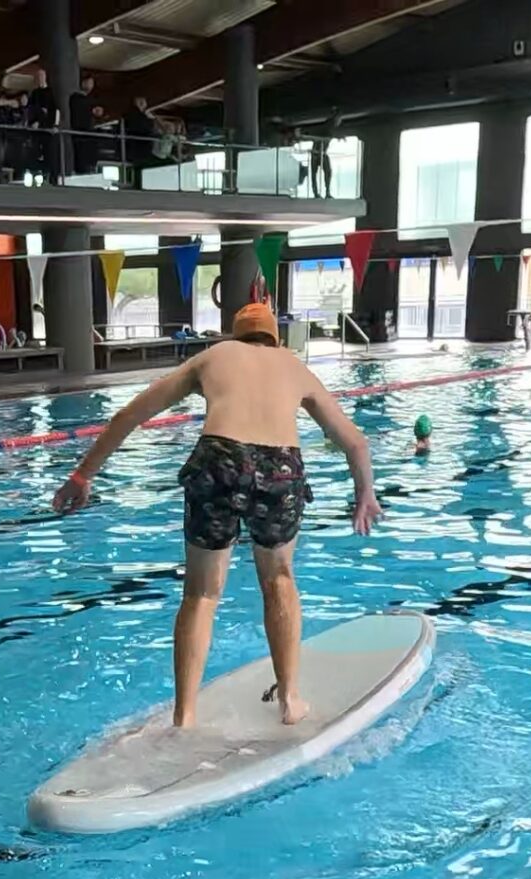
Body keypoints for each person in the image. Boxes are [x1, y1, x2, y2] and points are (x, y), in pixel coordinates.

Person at [51, 302, 378, 729]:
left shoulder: (213, 356)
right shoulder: (293, 365)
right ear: (273, 339)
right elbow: (355, 442)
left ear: (234, 334)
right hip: (281, 466)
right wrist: (365, 493)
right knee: (278, 578)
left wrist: (82, 475)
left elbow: (129, 414)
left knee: (201, 595)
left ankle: (184, 716)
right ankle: (290, 701)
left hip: (217, 459)